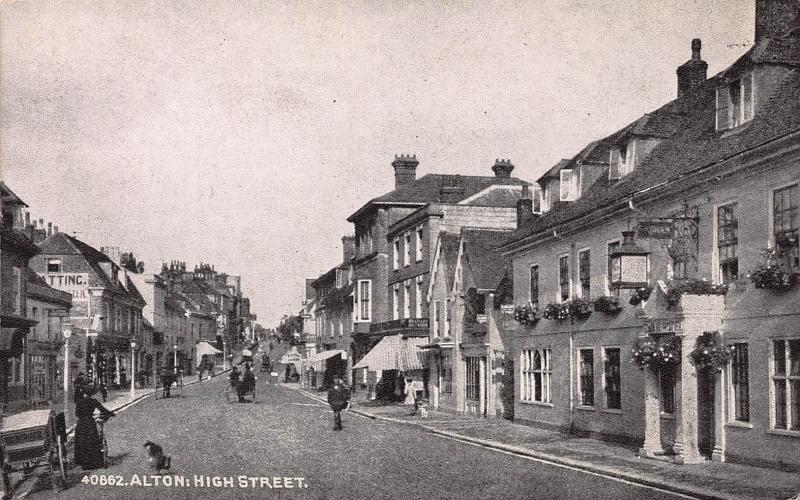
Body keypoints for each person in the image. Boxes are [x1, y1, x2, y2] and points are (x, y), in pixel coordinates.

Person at [73, 387, 115, 470]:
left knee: (81, 442)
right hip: (90, 423)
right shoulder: (93, 401)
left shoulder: (79, 402)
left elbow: (77, 414)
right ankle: (94, 462)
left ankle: (83, 463)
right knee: (92, 441)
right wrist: (111, 413)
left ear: (84, 393)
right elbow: (103, 410)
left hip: (81, 424)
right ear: (91, 394)